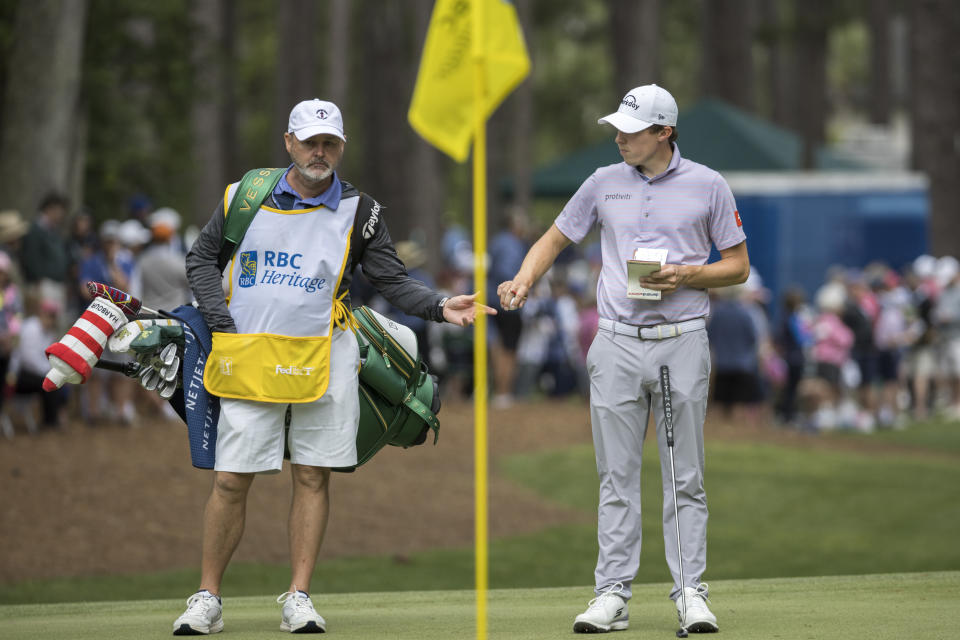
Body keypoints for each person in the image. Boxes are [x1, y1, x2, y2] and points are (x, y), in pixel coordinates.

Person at [174, 98, 494, 636]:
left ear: (341, 146)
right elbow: (202, 261)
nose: (320, 152)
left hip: (326, 355)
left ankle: (298, 596)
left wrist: (440, 306)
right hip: (249, 357)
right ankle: (207, 597)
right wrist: (221, 324)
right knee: (230, 480)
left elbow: (391, 280)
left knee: (312, 475)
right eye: (310, 142)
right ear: (289, 143)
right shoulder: (243, 196)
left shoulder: (360, 210)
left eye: (330, 143)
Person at [496, 84, 748, 634]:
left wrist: (688, 274)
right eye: (618, 128)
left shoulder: (708, 184)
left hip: (681, 339)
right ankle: (611, 594)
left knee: (686, 477)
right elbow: (556, 237)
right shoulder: (602, 181)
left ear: (665, 133)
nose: (619, 138)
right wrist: (522, 278)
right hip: (614, 341)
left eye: (631, 131)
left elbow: (737, 266)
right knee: (616, 476)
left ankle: (690, 594)